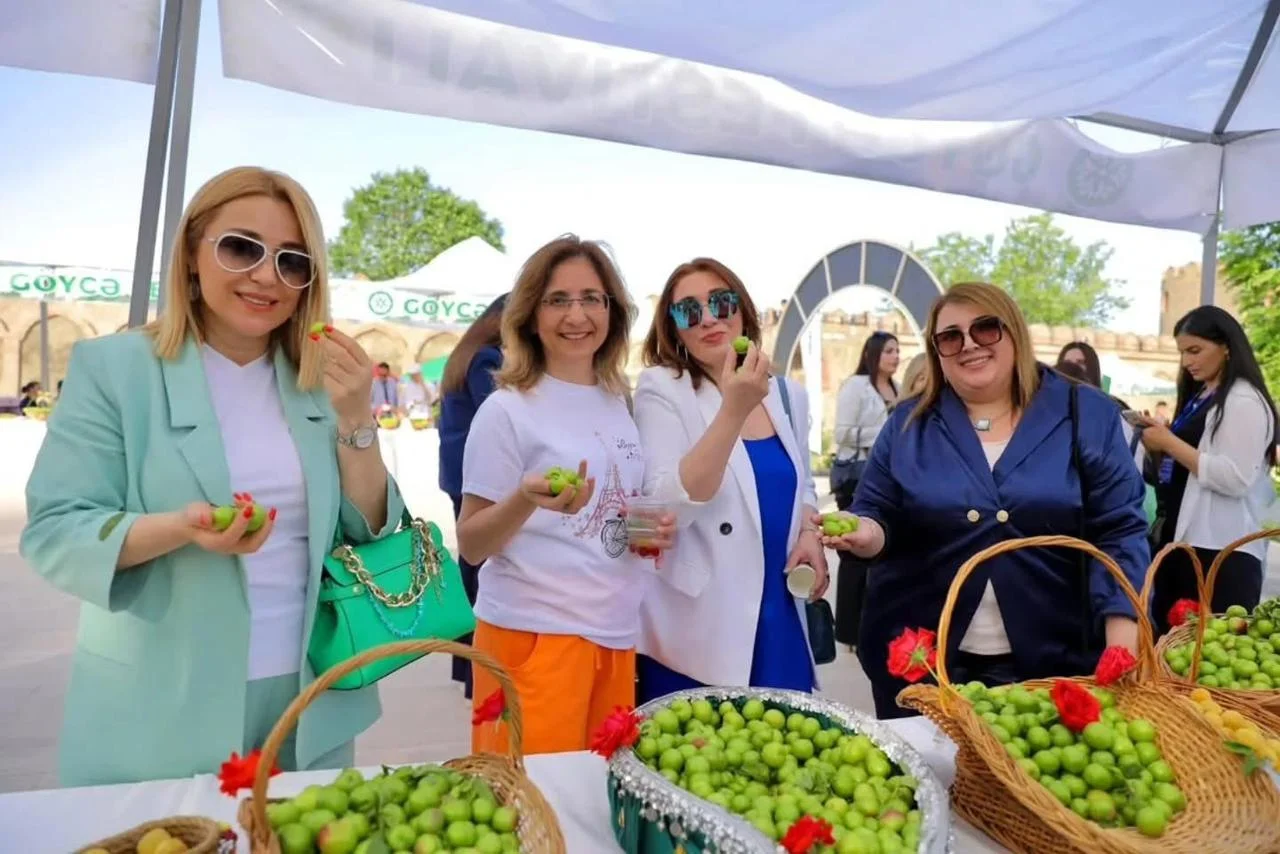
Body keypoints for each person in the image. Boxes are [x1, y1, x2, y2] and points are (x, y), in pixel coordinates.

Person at [20, 166, 404, 785]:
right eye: (241, 248)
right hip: (160, 706)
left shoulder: (322, 380)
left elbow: (372, 530)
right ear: (192, 256)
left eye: (292, 261)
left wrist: (357, 417)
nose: (266, 276)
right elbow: (56, 532)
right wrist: (178, 529)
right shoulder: (116, 370)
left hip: (311, 701)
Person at [820, 283, 1150, 720]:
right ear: (937, 352)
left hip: (1056, 663)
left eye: (985, 328)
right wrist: (866, 533)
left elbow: (1120, 530)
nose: (969, 344)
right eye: (950, 337)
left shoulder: (1086, 413)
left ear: (1014, 332)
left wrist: (1121, 646)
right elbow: (877, 510)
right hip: (925, 664)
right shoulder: (908, 423)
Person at [456, 236, 670, 754]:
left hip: (614, 634)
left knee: (593, 791)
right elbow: (472, 545)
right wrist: (526, 498)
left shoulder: (617, 402)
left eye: (591, 298)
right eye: (557, 300)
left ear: (612, 311)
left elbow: (609, 514)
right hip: (534, 636)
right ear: (531, 316)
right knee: (530, 794)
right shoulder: (507, 410)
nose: (577, 315)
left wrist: (645, 532)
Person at [632, 257, 829, 703]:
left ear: (742, 309)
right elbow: (667, 506)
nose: (708, 319)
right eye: (688, 311)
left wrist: (809, 532)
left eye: (721, 302)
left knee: (785, 738)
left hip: (780, 613)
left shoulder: (787, 395)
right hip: (702, 627)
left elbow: (802, 485)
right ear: (673, 328)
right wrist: (733, 409)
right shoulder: (663, 388)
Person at [1136, 306, 1279, 635]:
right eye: (1182, 353)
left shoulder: (1243, 400)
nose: (1187, 361)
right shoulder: (1202, 395)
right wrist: (1159, 445)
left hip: (1221, 551)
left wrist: (1170, 443)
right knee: (1171, 646)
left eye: (1195, 350)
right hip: (1186, 542)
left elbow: (1235, 478)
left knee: (1209, 648)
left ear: (1226, 346)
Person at [437, 294, 507, 698]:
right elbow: (495, 410)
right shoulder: (486, 359)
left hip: (461, 476)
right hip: (477, 480)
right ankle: (473, 674)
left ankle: (468, 672)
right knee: (481, 576)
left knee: (472, 573)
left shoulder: (467, 355)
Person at [831, 331, 899, 649]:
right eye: (889, 351)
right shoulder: (856, 386)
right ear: (873, 354)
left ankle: (868, 625)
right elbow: (842, 433)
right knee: (852, 553)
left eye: (897, 351)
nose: (895, 357)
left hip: (887, 477)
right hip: (856, 476)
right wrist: (883, 432)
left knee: (877, 555)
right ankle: (848, 630)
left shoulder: (896, 387)